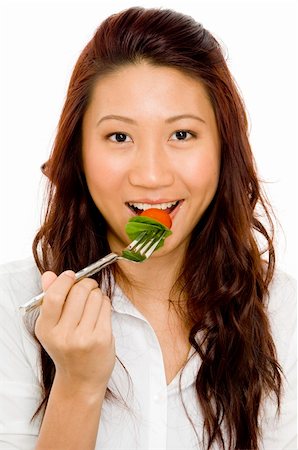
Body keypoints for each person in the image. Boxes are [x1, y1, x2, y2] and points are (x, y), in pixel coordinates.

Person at [0, 6, 296, 450]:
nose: (152, 175)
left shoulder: (284, 315)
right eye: (119, 137)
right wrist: (78, 384)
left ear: (223, 150)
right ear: (78, 152)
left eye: (181, 135)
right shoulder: (13, 308)